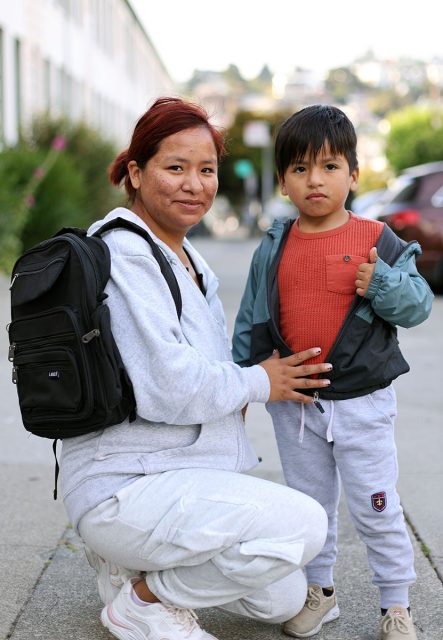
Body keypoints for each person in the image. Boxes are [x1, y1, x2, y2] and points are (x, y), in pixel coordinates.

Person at [59, 97, 332, 640]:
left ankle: (129, 569)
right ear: (136, 173)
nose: (194, 184)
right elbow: (170, 387)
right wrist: (261, 381)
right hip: (126, 484)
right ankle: (144, 599)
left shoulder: (186, 257)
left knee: (283, 595)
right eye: (175, 167)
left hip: (177, 476)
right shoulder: (128, 253)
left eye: (206, 170)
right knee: (304, 524)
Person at [232, 104, 434, 640]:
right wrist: (246, 378)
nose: (314, 180)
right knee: (309, 506)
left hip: (363, 400)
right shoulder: (274, 246)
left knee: (376, 504)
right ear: (281, 181)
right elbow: (252, 316)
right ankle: (320, 594)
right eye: (299, 169)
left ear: (353, 173)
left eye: (328, 166)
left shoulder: (378, 238)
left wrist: (383, 283)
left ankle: (396, 603)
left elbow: (417, 306)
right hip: (296, 404)